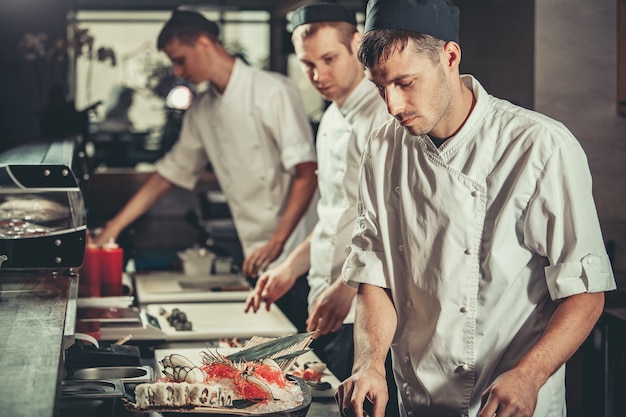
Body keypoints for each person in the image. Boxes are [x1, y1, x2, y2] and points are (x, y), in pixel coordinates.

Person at [335, 1, 617, 416]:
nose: (392, 105)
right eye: (380, 87)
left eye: (405, 82)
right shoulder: (382, 147)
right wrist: (369, 364)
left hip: (508, 402)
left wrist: (528, 377)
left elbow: (586, 292)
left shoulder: (539, 146)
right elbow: (374, 275)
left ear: (450, 57)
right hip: (417, 402)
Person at [94, 10, 319, 325]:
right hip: (255, 253)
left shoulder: (274, 92)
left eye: (180, 60)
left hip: (300, 252)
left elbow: (306, 174)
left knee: (304, 350)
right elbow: (168, 173)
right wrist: (112, 230)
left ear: (204, 43)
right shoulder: (202, 109)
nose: (178, 70)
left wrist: (277, 241)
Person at [244, 3, 391, 384]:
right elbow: (334, 214)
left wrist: (349, 286)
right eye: (307, 64)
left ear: (357, 45)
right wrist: (289, 268)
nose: (318, 75)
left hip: (364, 310)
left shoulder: (385, 114)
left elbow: (393, 222)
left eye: (329, 59)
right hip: (322, 302)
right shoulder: (328, 118)